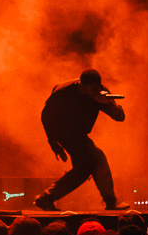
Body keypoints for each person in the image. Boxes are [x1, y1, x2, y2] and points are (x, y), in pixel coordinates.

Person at [34, 68, 128, 211]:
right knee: (98, 159)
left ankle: (46, 197)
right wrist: (53, 143)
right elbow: (46, 117)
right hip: (63, 131)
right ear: (81, 85)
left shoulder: (100, 93)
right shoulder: (64, 93)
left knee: (84, 169)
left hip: (79, 134)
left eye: (96, 89)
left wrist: (107, 103)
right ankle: (110, 201)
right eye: (90, 90)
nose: (93, 93)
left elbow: (120, 117)